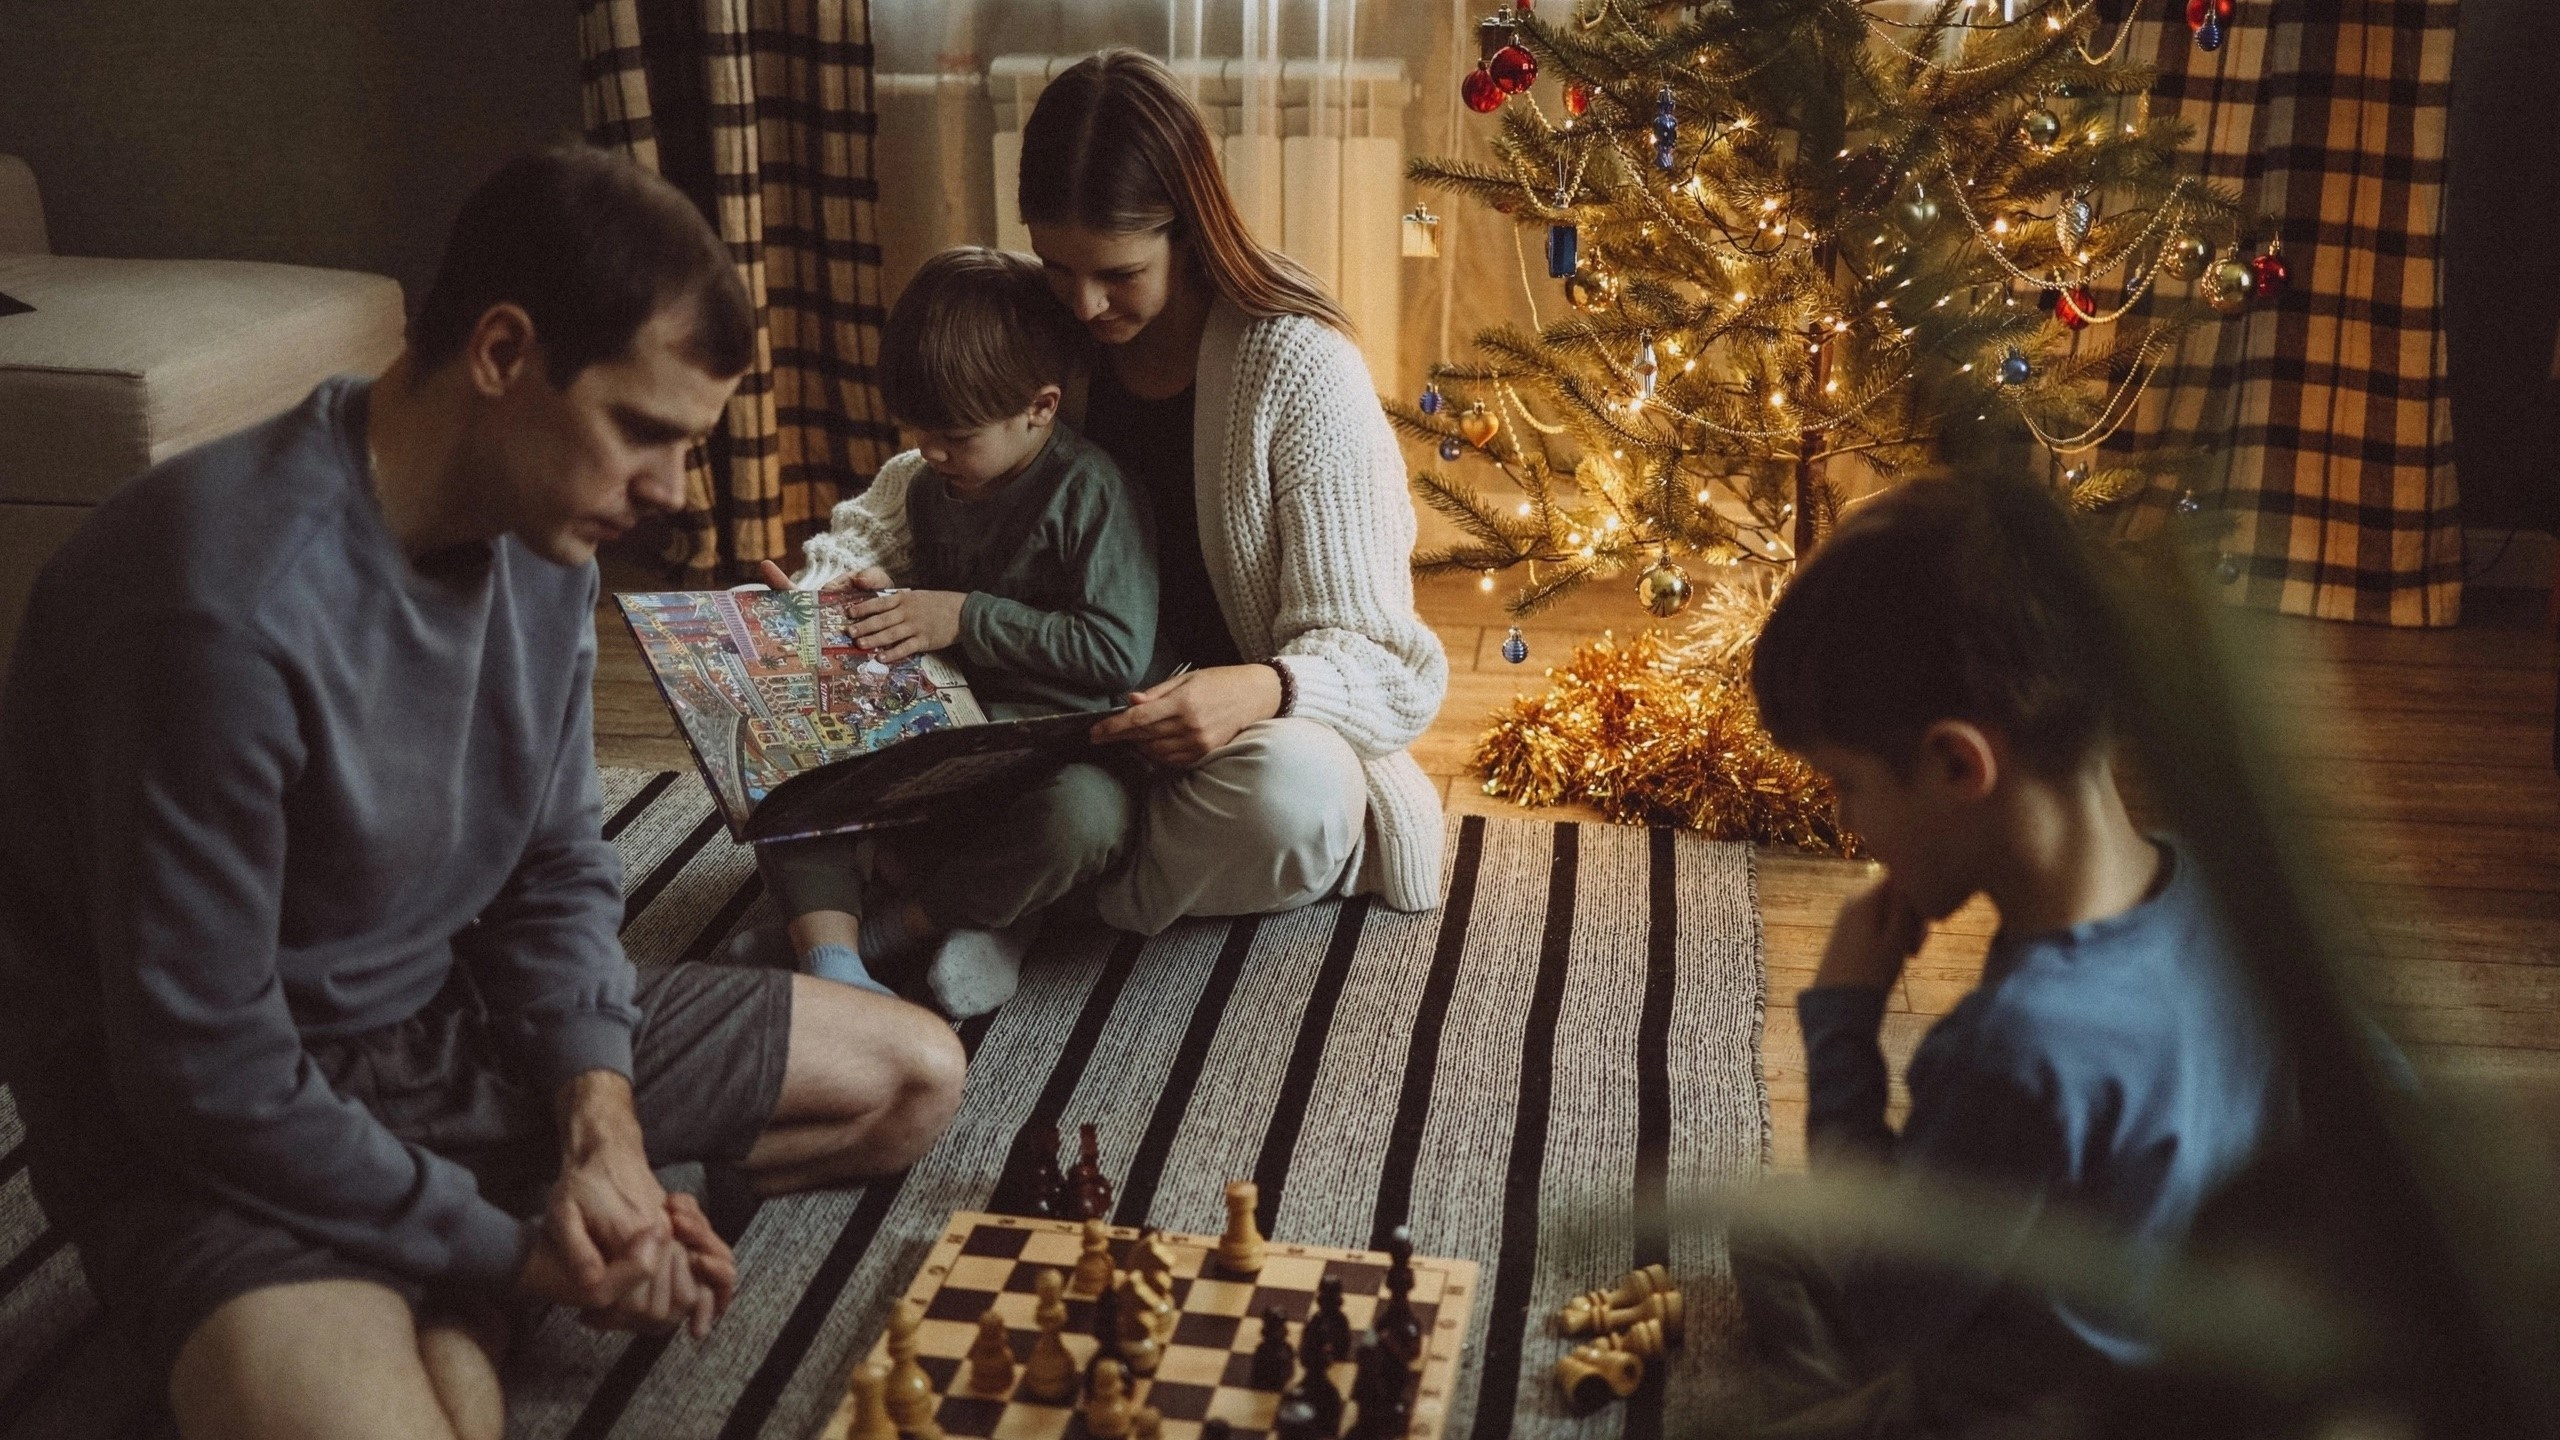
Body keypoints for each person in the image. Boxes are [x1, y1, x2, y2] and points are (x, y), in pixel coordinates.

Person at [0, 146, 967, 1440]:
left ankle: (468, 1244)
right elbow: (203, 1074)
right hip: (210, 1143)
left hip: (438, 1039)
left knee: (913, 1076)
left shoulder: (539, 528)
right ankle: (461, 1265)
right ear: (504, 354)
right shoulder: (216, 609)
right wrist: (513, 1258)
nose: (673, 495)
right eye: (645, 431)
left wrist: (601, 1125)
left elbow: (557, 863)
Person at [775, 49, 1447, 939]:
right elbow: (913, 485)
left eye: (1118, 273)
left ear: (1189, 228)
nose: (1084, 305)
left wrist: (1259, 689)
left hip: (1223, 747)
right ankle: (1016, 877)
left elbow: (1389, 668)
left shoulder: (1299, 368)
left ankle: (1031, 901)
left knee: (1301, 797)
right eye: (1057, 265)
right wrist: (822, 594)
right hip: (1056, 733)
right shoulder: (1052, 326)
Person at [1734, 473, 2291, 1433]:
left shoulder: (2017, 1045)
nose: (1843, 821)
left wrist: (1843, 1024)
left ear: (1957, 765)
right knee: (1775, 1240)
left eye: (1845, 785)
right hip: (2199, 1351)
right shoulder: (2225, 891)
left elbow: (1885, 1303)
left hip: (2050, 1406)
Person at [750, 246, 1163, 1017]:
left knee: (1087, 817)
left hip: (1048, 760)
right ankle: (827, 957)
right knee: (783, 761)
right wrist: (851, 612)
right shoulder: (932, 483)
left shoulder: (1092, 492)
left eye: (956, 435)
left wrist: (961, 614)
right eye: (917, 431)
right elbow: (906, 594)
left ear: (1039, 407)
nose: (931, 452)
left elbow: (1114, 650)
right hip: (942, 744)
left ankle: (893, 933)